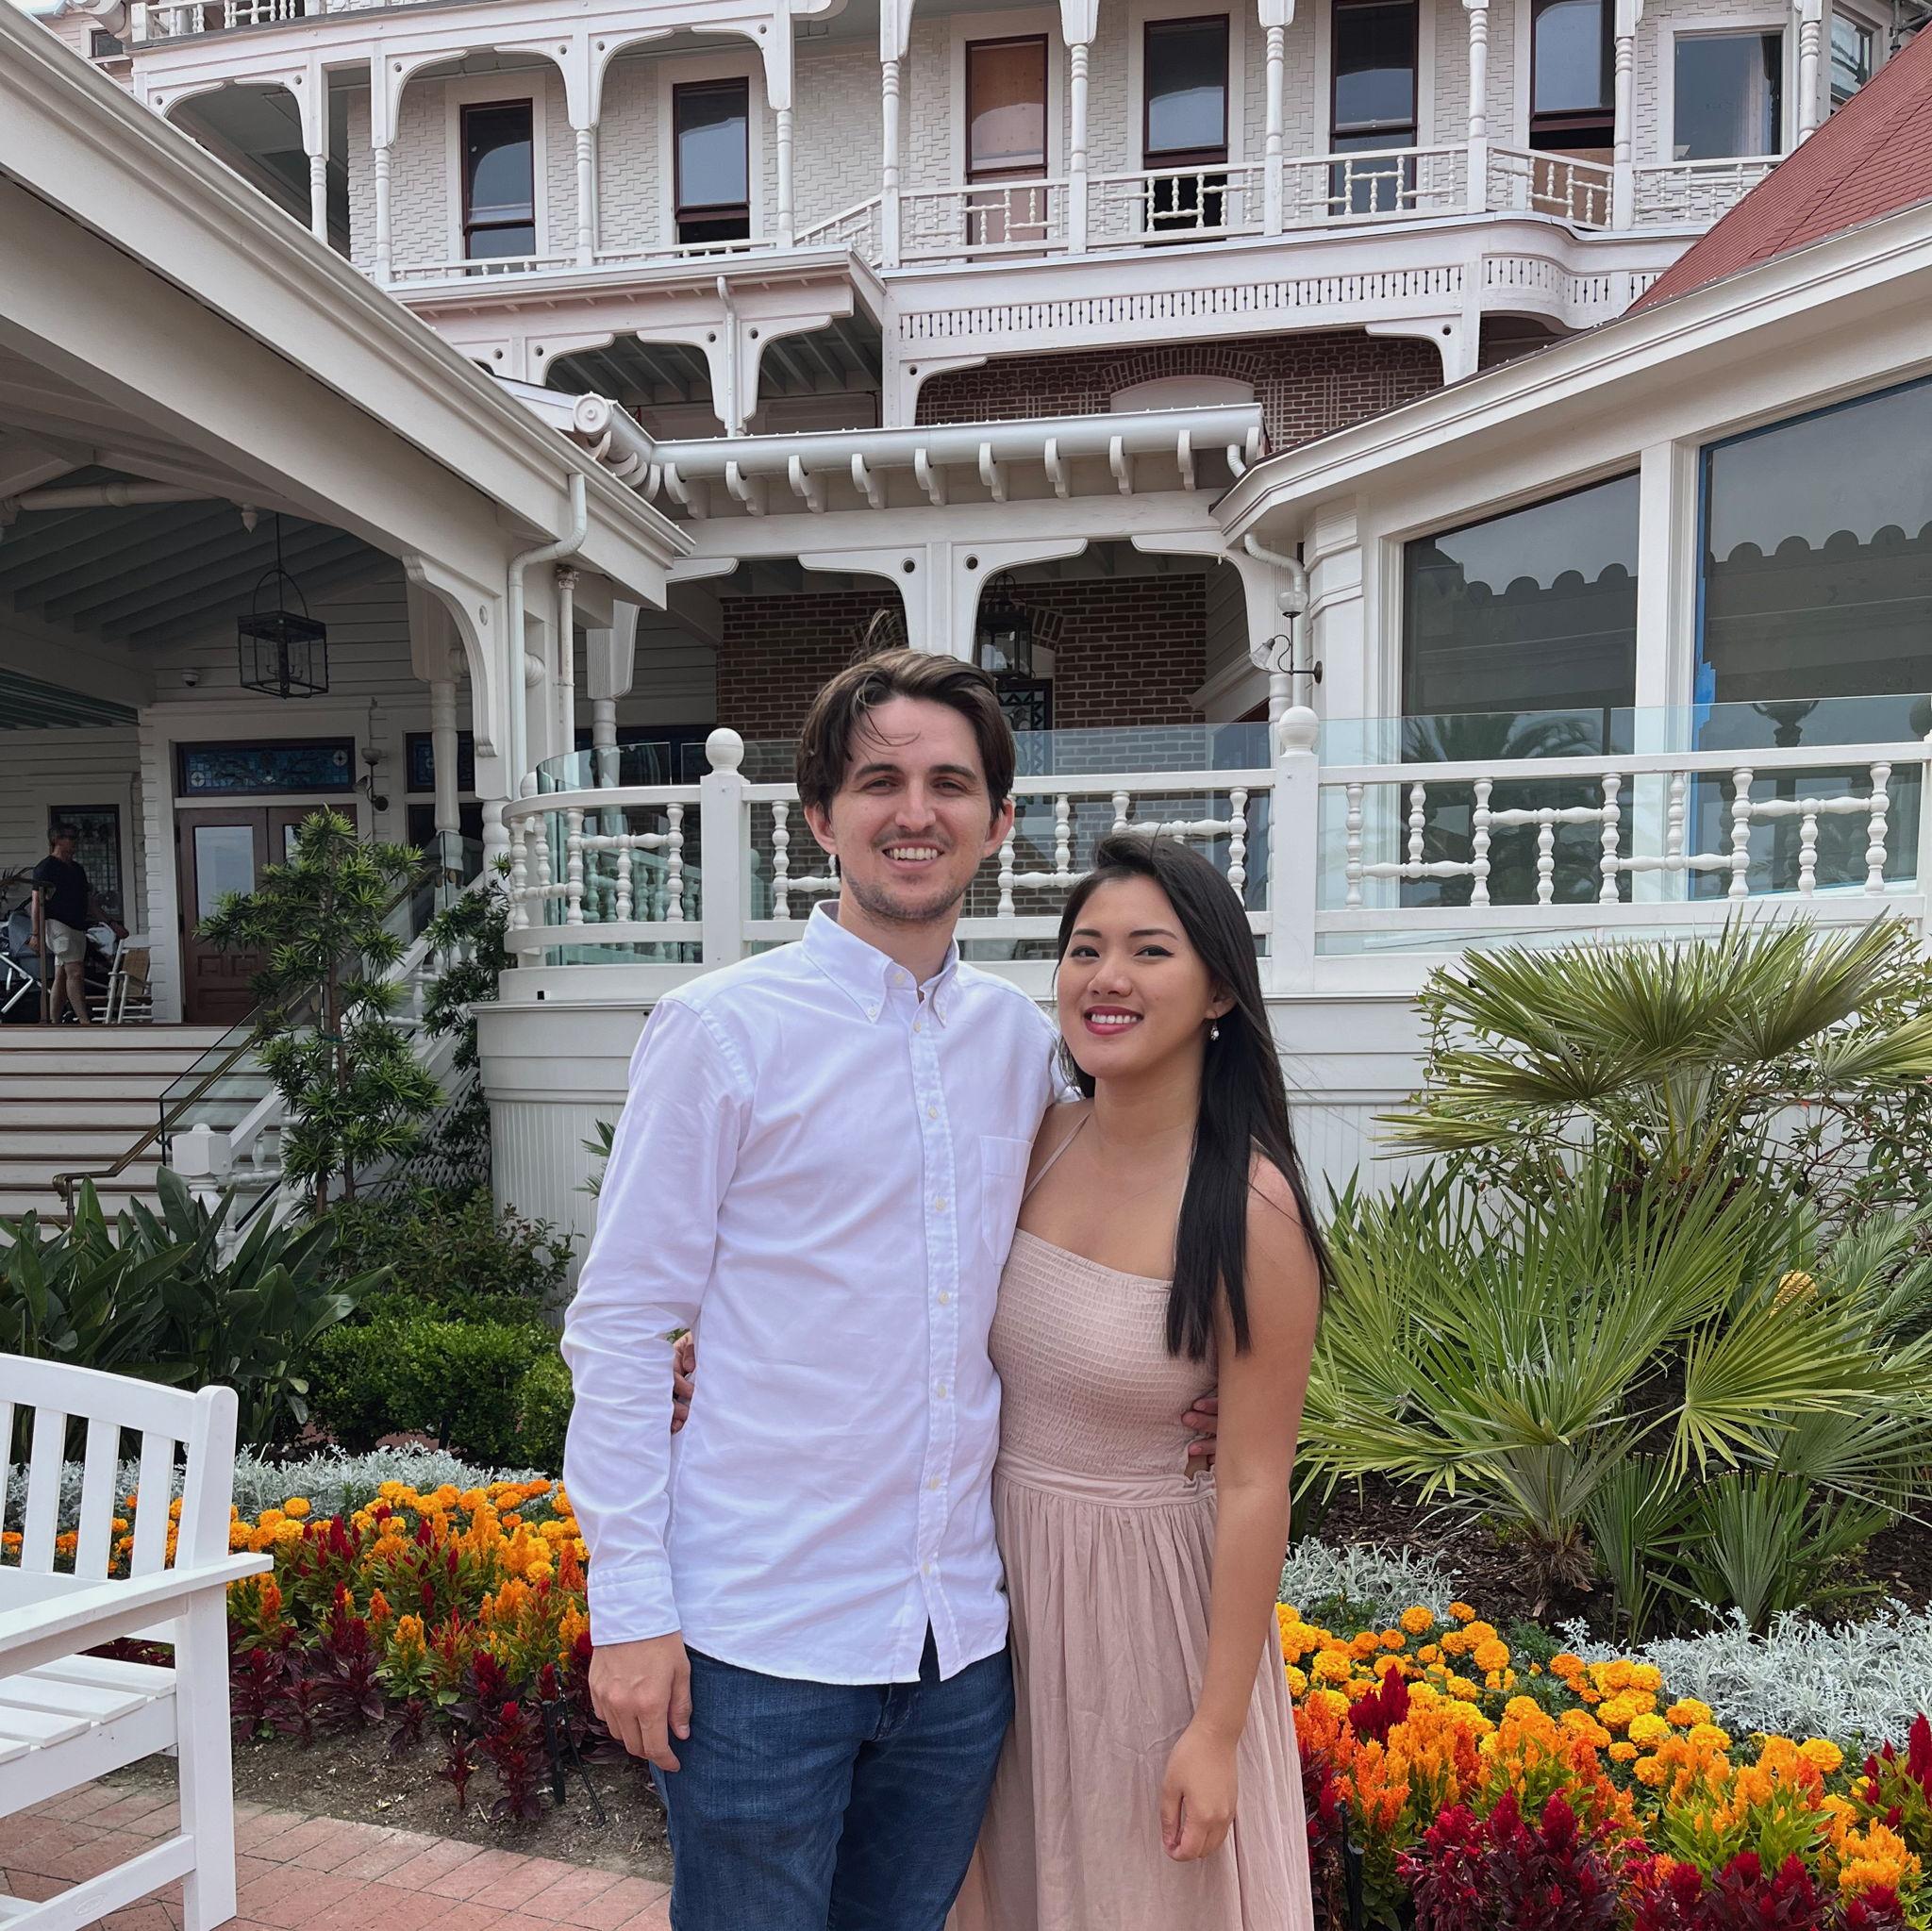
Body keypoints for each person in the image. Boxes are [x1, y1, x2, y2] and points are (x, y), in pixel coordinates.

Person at [561, 648, 1215, 1931]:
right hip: (760, 1641)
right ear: (820, 816)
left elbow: (1091, 1252)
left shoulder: (1023, 1048)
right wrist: (630, 1608)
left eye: (949, 782)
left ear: (998, 821)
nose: (914, 810)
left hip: (955, 1646)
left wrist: (1184, 1398)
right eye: (879, 780)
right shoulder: (721, 1030)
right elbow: (628, 1321)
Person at [947, 831, 1326, 1930]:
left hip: (1143, 1623)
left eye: (1147, 951)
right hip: (995, 1603)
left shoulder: (1248, 1211)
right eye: (1082, 948)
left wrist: (1212, 1731)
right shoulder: (1033, 1142)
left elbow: (1255, 1479)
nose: (1104, 977)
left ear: (1215, 988)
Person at [32, 823, 96, 1025]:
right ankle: (85, 1021)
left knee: (61, 974)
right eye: (70, 837)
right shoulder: (46, 868)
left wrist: (111, 923)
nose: (74, 841)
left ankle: (53, 1021)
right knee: (75, 971)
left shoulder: (77, 869)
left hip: (77, 925)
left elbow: (89, 902)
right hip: (57, 924)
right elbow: (37, 902)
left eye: (75, 837)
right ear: (57, 840)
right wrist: (36, 934)